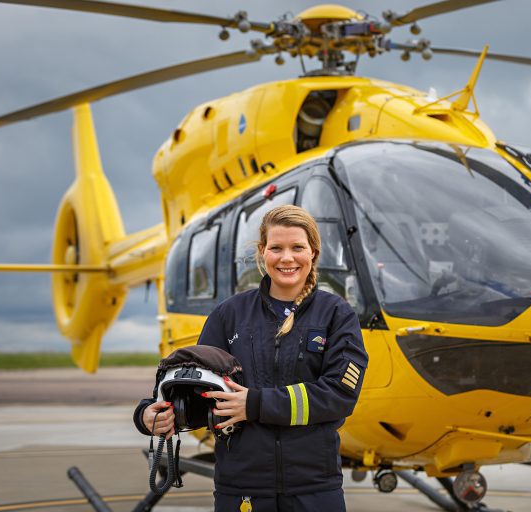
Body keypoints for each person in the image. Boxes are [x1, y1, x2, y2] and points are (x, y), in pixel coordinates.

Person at [134, 205, 368, 512]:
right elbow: (197, 393)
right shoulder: (229, 316)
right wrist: (151, 415)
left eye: (297, 247)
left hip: (314, 489)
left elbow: (339, 395)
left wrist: (255, 404)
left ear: (313, 252)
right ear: (262, 252)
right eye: (276, 248)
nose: (287, 258)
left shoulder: (337, 315)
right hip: (241, 489)